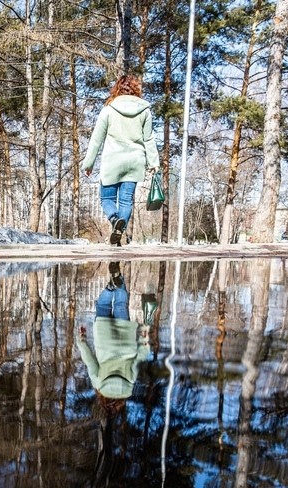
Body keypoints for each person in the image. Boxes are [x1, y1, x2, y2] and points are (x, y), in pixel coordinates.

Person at [81, 75, 160, 246]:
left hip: (112, 162)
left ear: (116, 88)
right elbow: (149, 139)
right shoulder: (145, 111)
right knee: (125, 201)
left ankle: (115, 219)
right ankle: (119, 230)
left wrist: (88, 164)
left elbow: (96, 139)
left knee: (106, 199)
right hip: (135, 162)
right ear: (135, 89)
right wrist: (154, 162)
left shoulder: (108, 109)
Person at [76, 261, 149, 402]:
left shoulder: (130, 383)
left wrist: (144, 338)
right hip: (105, 340)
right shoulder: (99, 384)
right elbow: (89, 360)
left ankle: (118, 280)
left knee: (121, 305)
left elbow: (138, 359)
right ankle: (110, 288)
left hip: (126, 341)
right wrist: (82, 341)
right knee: (102, 305)